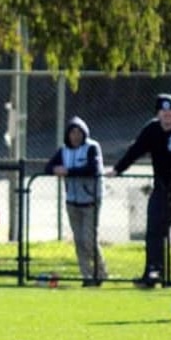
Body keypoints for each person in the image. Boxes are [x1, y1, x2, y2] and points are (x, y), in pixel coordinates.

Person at [108, 93, 171, 288]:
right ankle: (153, 271)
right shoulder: (151, 130)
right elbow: (135, 151)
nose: (167, 114)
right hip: (162, 187)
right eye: (163, 111)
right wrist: (117, 169)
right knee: (154, 231)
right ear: (157, 113)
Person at [45, 116, 107, 287]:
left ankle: (100, 272)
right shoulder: (63, 150)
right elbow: (49, 167)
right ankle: (86, 276)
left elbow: (91, 169)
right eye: (73, 132)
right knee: (79, 240)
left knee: (89, 239)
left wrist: (68, 171)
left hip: (90, 200)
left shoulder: (92, 148)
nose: (76, 136)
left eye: (79, 132)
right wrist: (55, 169)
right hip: (72, 201)